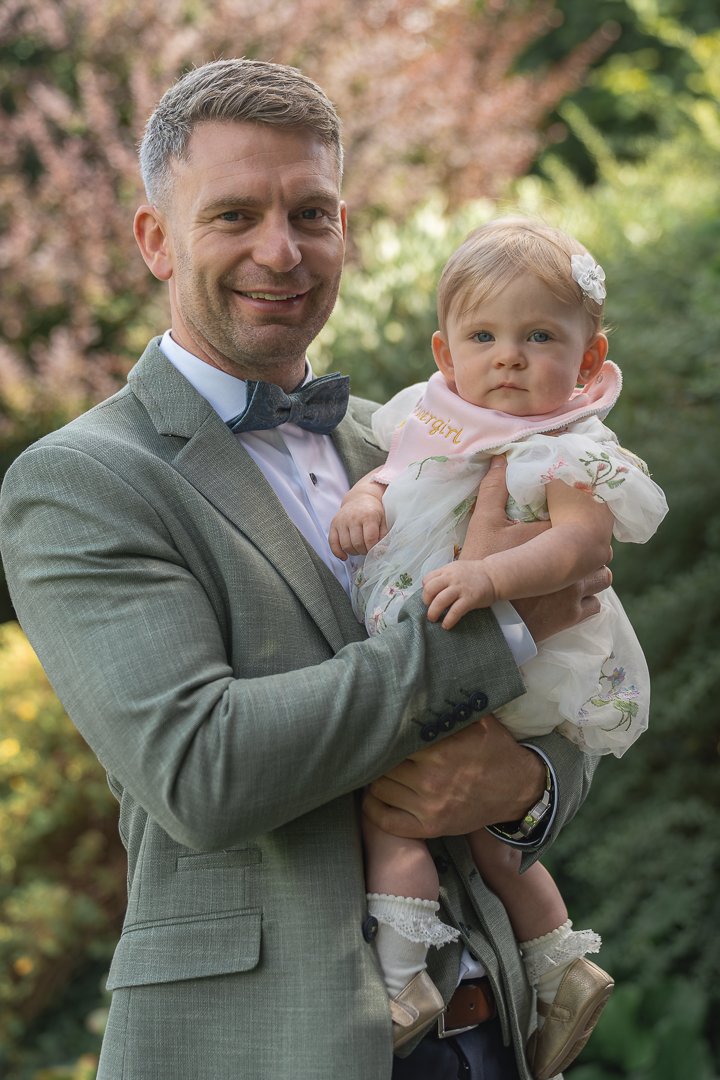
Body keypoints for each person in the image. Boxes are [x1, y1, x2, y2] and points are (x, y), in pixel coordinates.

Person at [0, 62, 611, 1080]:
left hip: (490, 1037)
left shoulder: (413, 444)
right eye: (234, 214)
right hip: (261, 1047)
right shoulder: (83, 481)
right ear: (156, 239)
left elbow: (573, 681)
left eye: (311, 214)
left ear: (343, 230)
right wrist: (497, 632)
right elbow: (204, 770)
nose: (280, 251)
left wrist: (526, 787)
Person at [330, 217, 668, 1078]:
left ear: (589, 360)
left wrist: (491, 580)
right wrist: (365, 499)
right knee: (487, 837)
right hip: (441, 646)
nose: (509, 358)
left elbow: (581, 547)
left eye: (539, 337)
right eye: (484, 337)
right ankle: (559, 967)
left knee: (390, 810)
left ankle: (400, 985)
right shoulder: (433, 420)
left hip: (523, 664)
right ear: (446, 356)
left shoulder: (568, 448)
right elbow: (395, 471)